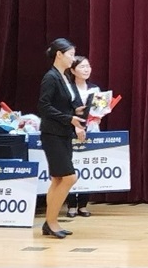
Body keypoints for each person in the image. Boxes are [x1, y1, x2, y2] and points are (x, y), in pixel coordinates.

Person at [38, 38, 86, 239]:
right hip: (52, 134)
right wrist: (69, 118)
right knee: (69, 177)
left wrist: (84, 111)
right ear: (59, 54)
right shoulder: (51, 77)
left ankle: (50, 222)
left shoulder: (65, 76)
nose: (73, 59)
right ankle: (51, 222)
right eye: (71, 55)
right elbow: (44, 107)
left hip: (64, 133)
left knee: (58, 179)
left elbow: (69, 105)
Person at [66, 56, 99, 218]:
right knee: (72, 165)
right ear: (73, 70)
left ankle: (83, 204)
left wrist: (99, 115)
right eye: (82, 67)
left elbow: (99, 108)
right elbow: (64, 111)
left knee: (88, 164)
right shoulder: (68, 88)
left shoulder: (95, 88)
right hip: (71, 130)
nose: (86, 69)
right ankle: (71, 204)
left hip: (92, 129)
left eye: (88, 66)